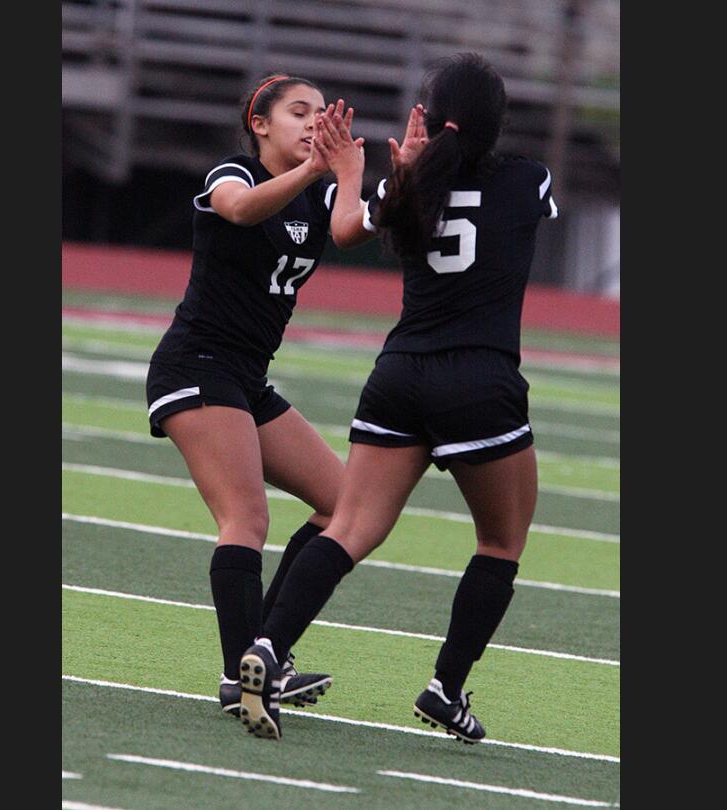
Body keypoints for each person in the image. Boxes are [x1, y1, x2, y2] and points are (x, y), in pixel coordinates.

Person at [233, 54, 559, 743]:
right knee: (501, 540)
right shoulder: (530, 179)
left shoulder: (405, 185)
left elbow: (351, 228)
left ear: (428, 118)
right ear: (497, 123)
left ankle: (266, 646)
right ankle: (446, 687)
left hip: (400, 372)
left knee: (349, 527)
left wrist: (383, 171)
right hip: (480, 379)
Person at [144, 75, 367, 718]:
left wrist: (365, 171)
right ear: (260, 123)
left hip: (246, 375)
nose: (311, 123)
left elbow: (356, 226)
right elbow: (239, 210)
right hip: (197, 363)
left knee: (343, 505)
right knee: (247, 519)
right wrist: (318, 170)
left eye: (320, 116)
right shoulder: (234, 170)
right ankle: (237, 674)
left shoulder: (320, 188)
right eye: (298, 112)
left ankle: (263, 652)